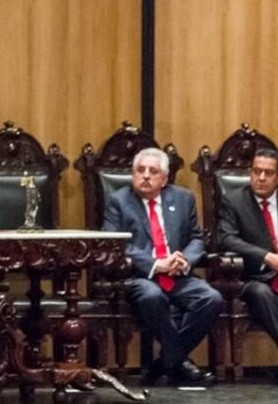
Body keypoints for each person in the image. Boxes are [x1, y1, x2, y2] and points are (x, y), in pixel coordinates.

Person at [102, 147, 222, 386]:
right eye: (140, 170)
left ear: (164, 179)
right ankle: (178, 361)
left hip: (178, 275)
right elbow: (114, 244)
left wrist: (185, 260)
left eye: (153, 171)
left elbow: (197, 238)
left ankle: (164, 362)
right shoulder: (119, 201)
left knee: (212, 298)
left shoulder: (183, 198)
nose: (145, 175)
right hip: (139, 276)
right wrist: (156, 264)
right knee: (152, 295)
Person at [218, 147, 278, 364]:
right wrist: (266, 256)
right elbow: (227, 238)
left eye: (268, 173)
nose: (261, 178)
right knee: (262, 294)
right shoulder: (234, 200)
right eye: (256, 171)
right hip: (252, 277)